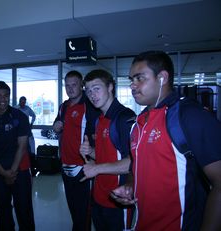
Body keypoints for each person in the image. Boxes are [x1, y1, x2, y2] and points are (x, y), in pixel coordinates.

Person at [111, 50, 221, 231]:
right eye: (131, 79)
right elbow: (136, 167)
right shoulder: (138, 123)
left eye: (140, 78)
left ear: (162, 77)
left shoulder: (189, 116)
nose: (132, 86)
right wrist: (131, 184)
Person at [79, 69, 135, 230]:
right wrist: (90, 152)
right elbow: (107, 157)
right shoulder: (99, 119)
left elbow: (133, 162)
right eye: (88, 90)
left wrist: (96, 168)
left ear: (110, 87)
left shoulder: (124, 118)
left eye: (96, 88)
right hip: (98, 197)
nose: (92, 94)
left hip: (118, 199)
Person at [0, 81, 35, 231]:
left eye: (6, 95)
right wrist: (3, 172)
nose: (3, 99)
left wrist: (11, 172)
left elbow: (22, 146)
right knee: (3, 211)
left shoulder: (20, 116)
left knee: (24, 211)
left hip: (20, 170)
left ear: (10, 97)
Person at [53, 70, 100, 231]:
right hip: (65, 165)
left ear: (81, 85)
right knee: (73, 209)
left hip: (83, 166)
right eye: (67, 85)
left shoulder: (90, 106)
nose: (70, 88)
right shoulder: (63, 106)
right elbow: (57, 126)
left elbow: (98, 135)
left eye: (74, 85)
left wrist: (94, 160)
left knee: (84, 212)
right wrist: (56, 127)